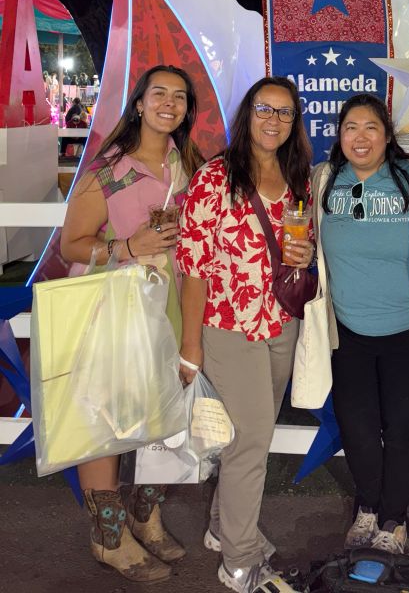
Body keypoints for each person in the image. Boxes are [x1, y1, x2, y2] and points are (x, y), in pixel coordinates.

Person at [60, 64, 204, 583]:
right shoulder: (108, 170)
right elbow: (70, 244)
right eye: (158, 93)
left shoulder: (190, 165)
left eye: (180, 97)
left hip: (173, 306)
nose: (170, 103)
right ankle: (109, 535)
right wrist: (127, 247)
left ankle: (147, 518)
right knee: (109, 421)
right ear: (139, 104)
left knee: (164, 415)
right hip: (118, 309)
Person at [177, 76, 315, 593]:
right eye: (265, 109)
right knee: (252, 439)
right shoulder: (215, 179)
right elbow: (192, 267)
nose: (273, 120)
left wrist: (304, 255)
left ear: (293, 122)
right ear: (247, 115)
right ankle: (239, 559)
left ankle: (220, 526)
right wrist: (191, 344)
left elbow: (298, 246)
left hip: (281, 321)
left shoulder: (298, 176)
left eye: (284, 112)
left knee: (252, 435)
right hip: (228, 326)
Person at [315, 93, 409, 554]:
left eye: (371, 128)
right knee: (357, 426)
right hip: (347, 329)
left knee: (401, 426)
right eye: (350, 128)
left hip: (408, 327)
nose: (360, 138)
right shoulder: (324, 180)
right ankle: (368, 506)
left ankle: (393, 519)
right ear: (339, 136)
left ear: (387, 136)